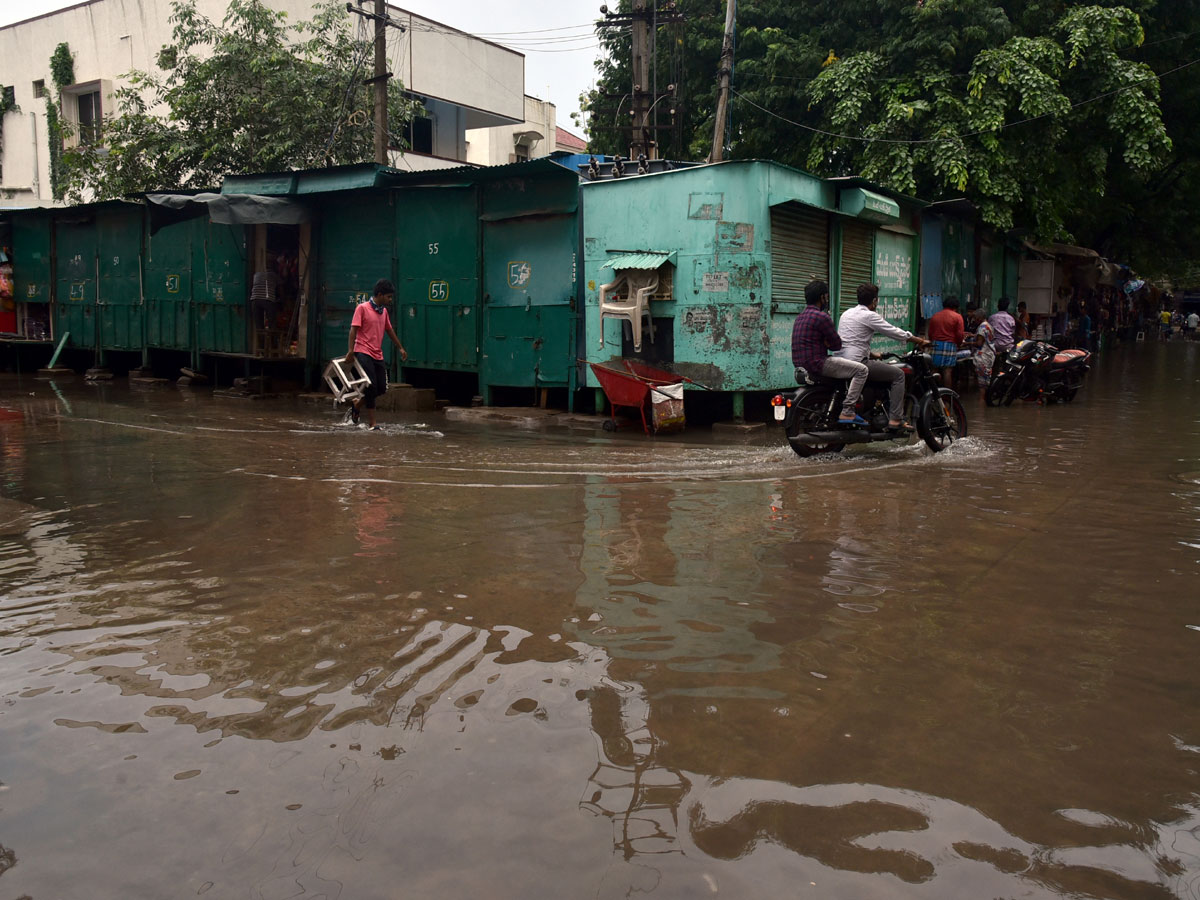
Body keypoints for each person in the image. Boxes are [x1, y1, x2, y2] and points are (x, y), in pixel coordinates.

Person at [836, 283, 928, 430]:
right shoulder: (869, 316)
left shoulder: (846, 313)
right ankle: (895, 419)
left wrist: (873, 355)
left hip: (842, 361)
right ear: (874, 301)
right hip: (858, 362)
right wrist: (919, 340)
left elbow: (852, 340)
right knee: (898, 375)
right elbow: (894, 332)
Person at [791, 279, 871, 426]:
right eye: (826, 297)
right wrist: (826, 342)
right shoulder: (822, 317)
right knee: (862, 370)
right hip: (818, 363)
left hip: (800, 366)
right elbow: (836, 345)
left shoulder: (799, 318)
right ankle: (848, 411)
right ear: (822, 298)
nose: (827, 300)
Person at [343, 279, 408, 430]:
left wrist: (401, 348)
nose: (390, 300)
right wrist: (351, 351)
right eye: (388, 297)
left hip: (377, 354)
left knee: (382, 388)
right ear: (380, 294)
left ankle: (357, 404)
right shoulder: (362, 308)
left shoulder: (383, 312)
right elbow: (353, 330)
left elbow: (389, 330)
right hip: (363, 351)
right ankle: (373, 423)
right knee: (371, 385)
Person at [926, 295, 965, 388]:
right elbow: (960, 335)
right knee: (947, 371)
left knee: (934, 370)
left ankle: (932, 393)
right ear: (956, 306)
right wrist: (959, 344)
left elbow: (930, 333)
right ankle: (946, 398)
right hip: (950, 345)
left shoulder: (935, 316)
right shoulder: (957, 317)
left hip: (935, 344)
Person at [988, 297, 1017, 375]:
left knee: (994, 365)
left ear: (998, 306)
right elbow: (1013, 333)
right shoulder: (1011, 318)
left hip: (995, 345)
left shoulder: (992, 317)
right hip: (1007, 345)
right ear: (1007, 307)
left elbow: (989, 332)